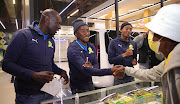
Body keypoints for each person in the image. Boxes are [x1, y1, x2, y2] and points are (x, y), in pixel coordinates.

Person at [113, 4, 180, 104]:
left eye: (157, 35)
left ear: (171, 36)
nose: (152, 39)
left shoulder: (176, 67)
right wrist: (126, 69)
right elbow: (150, 73)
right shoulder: (170, 61)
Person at [2, 9, 69, 104]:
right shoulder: (22, 36)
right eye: (58, 23)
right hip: (28, 96)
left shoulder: (51, 41)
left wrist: (61, 71)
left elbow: (49, 63)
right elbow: (6, 64)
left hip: (48, 92)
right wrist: (33, 75)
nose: (59, 27)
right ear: (47, 20)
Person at [67, 19, 123, 95]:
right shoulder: (72, 49)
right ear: (76, 33)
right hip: (78, 88)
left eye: (88, 30)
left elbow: (96, 64)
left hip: (90, 84)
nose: (86, 33)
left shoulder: (91, 46)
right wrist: (111, 70)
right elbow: (85, 70)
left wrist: (91, 67)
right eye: (83, 31)